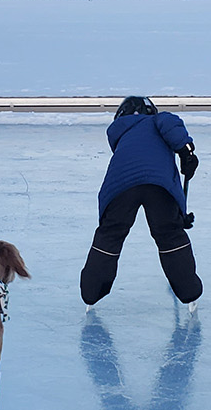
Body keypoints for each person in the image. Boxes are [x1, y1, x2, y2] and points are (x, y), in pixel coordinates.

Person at [80, 96, 203, 309]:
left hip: (120, 186)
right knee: (170, 235)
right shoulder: (157, 121)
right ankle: (189, 292)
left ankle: (91, 294)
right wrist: (186, 151)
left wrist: (107, 219)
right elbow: (169, 123)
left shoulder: (121, 134)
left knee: (109, 236)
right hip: (159, 185)